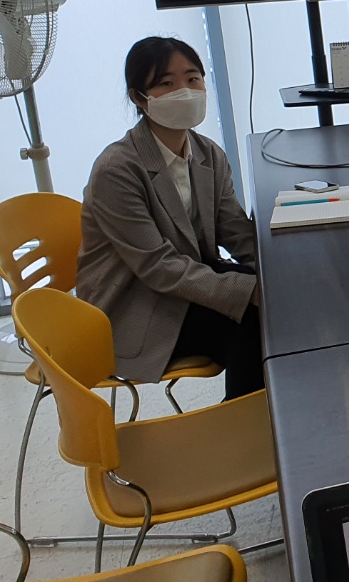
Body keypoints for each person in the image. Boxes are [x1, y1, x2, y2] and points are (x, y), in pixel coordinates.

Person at [78, 37, 264, 400]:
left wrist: (274, 273)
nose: (185, 91)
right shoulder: (116, 170)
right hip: (134, 304)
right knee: (252, 322)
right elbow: (157, 266)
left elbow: (234, 229)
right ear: (139, 98)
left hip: (185, 282)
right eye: (166, 83)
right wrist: (249, 291)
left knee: (275, 305)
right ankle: (242, 422)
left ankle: (259, 413)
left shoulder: (208, 153)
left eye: (193, 79)